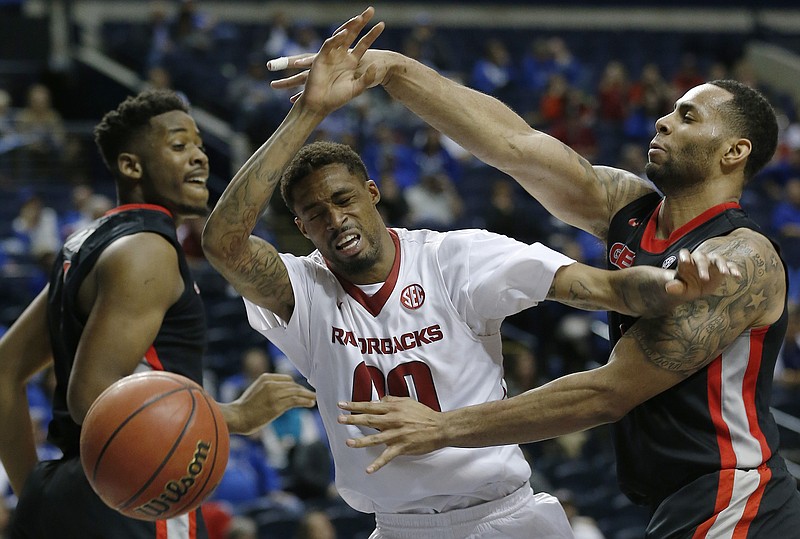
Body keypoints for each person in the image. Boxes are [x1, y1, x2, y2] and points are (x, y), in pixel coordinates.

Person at [268, 8, 800, 538]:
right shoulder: (630, 208)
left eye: (688, 117)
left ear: (734, 151)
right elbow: (514, 147)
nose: (664, 120)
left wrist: (444, 426)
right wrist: (391, 70)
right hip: (679, 500)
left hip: (738, 497)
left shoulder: (743, 258)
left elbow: (607, 394)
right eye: (672, 111)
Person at [0, 88, 316, 539]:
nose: (199, 158)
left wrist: (34, 492)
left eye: (201, 146)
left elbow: (5, 370)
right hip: (136, 490)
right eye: (179, 146)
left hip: (69, 494)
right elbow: (91, 398)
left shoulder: (86, 243)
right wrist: (234, 416)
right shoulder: (148, 250)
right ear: (131, 166)